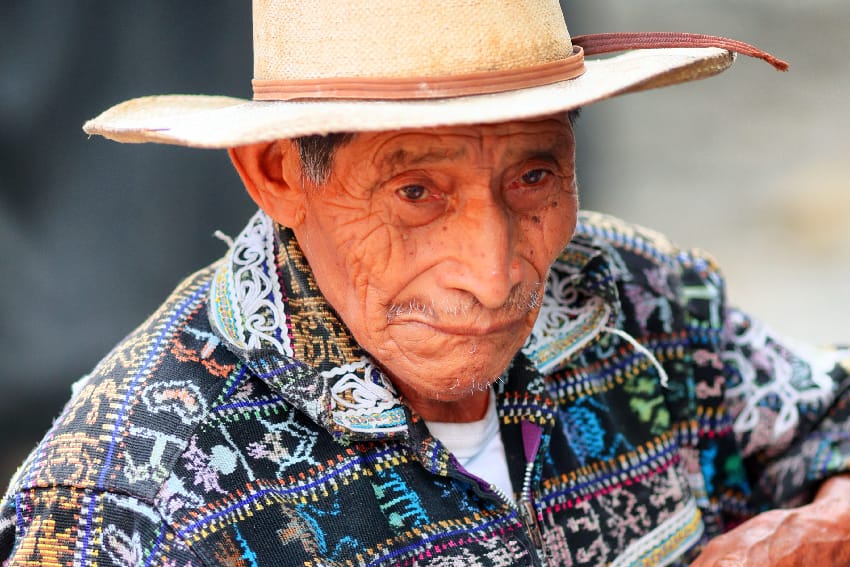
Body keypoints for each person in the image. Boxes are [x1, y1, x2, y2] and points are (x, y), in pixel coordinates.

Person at [2, 1, 848, 565]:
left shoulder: (641, 295)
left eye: (533, 178)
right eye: (417, 193)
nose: (493, 273)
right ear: (277, 175)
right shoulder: (132, 499)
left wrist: (817, 530)